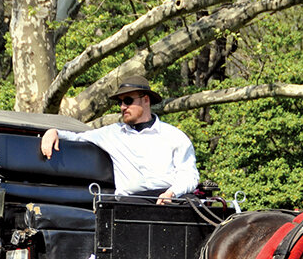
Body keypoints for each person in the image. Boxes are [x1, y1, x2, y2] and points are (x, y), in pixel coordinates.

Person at [39, 75, 199, 204]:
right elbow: (78, 137)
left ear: (146, 100)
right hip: (132, 201)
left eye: (128, 101)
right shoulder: (111, 133)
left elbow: (189, 175)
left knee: (195, 204)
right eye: (120, 102)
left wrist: (171, 193)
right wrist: (53, 132)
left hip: (170, 198)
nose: (123, 107)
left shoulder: (174, 136)